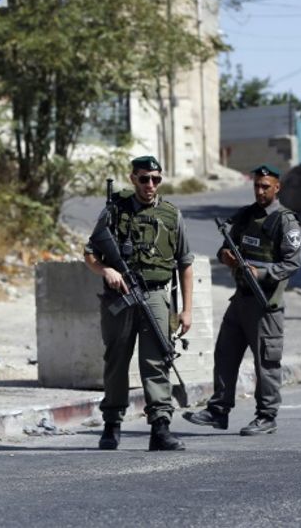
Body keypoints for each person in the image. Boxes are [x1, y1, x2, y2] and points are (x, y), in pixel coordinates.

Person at [84, 156, 194, 451]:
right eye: (144, 178)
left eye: (156, 179)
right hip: (120, 296)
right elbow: (91, 253)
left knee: (157, 359)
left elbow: (185, 263)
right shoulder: (114, 211)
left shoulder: (172, 215)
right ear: (132, 178)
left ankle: (160, 427)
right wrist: (106, 270)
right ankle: (111, 425)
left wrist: (186, 310)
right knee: (116, 359)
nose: (150, 185)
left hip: (157, 294)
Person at [184, 164, 301, 436]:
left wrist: (261, 273)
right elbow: (227, 246)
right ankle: (218, 410)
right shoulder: (246, 216)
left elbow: (292, 264)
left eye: (265, 186)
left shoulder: (285, 221)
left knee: (266, 362)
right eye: (257, 186)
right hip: (240, 300)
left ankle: (266, 416)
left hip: (265, 304)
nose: (260, 191)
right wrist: (226, 256)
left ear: (277, 187)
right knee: (225, 354)